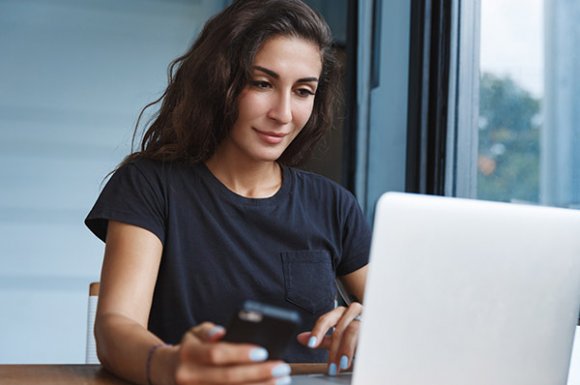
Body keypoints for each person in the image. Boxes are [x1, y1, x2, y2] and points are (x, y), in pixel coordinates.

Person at [85, 0, 371, 384]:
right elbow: (115, 327)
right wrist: (171, 364)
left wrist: (368, 324)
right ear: (219, 82)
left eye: (303, 91)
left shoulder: (334, 205)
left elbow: (402, 322)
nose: (284, 113)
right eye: (262, 84)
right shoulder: (150, 186)